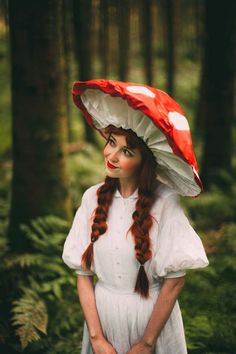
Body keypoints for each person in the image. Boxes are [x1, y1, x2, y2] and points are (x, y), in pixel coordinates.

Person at [62, 79, 209, 354]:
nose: (112, 156)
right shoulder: (92, 198)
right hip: (103, 320)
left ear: (144, 160)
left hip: (151, 323)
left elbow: (175, 280)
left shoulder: (164, 202)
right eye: (111, 142)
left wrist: (146, 343)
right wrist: (96, 339)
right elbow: (82, 274)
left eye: (126, 151)